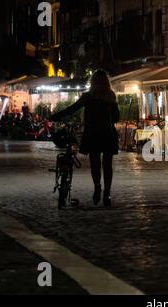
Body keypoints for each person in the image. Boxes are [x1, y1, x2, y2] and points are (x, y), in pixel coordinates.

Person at [50, 70, 120, 207]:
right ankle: (107, 194)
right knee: (107, 165)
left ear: (92, 82)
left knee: (95, 164)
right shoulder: (110, 96)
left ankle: (97, 188)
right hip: (107, 133)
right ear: (107, 82)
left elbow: (72, 108)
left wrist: (55, 117)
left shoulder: (88, 96)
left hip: (92, 134)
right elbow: (117, 117)